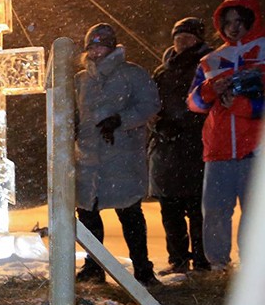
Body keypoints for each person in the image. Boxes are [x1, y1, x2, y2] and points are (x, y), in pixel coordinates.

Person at [74, 23, 161, 286]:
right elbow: (73, 113)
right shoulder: (80, 79)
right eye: (92, 45)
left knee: (129, 211)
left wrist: (120, 120)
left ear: (112, 46)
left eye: (101, 45)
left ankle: (143, 269)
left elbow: (150, 104)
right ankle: (94, 266)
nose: (96, 51)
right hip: (88, 157)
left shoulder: (132, 74)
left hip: (121, 155)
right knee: (88, 212)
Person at [188, 0, 265, 271]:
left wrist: (246, 106)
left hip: (255, 150)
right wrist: (209, 90)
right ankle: (218, 268)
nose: (234, 27)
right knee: (215, 212)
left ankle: (254, 268)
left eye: (240, 20)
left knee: (256, 213)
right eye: (228, 21)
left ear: (252, 20)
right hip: (218, 149)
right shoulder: (211, 59)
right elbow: (193, 103)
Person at [148, 17, 212, 274]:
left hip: (197, 147)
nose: (182, 42)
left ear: (199, 39)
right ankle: (177, 261)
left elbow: (209, 104)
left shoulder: (209, 65)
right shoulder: (162, 71)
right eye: (178, 37)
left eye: (188, 37)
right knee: (170, 208)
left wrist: (186, 124)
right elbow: (150, 105)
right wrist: (159, 124)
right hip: (166, 150)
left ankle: (203, 261)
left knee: (198, 210)